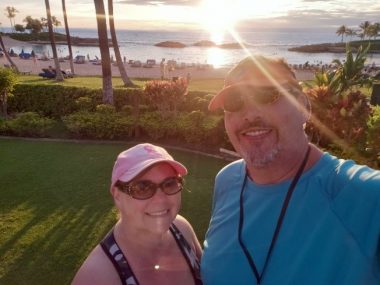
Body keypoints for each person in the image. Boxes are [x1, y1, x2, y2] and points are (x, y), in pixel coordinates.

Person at [201, 55, 380, 285]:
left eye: (267, 95)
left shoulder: (361, 194)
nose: (249, 114)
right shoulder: (227, 181)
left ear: (304, 107)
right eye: (235, 101)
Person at [72, 143, 202, 285]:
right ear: (117, 196)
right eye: (142, 188)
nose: (160, 200)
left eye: (170, 183)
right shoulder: (97, 276)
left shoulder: (182, 228)